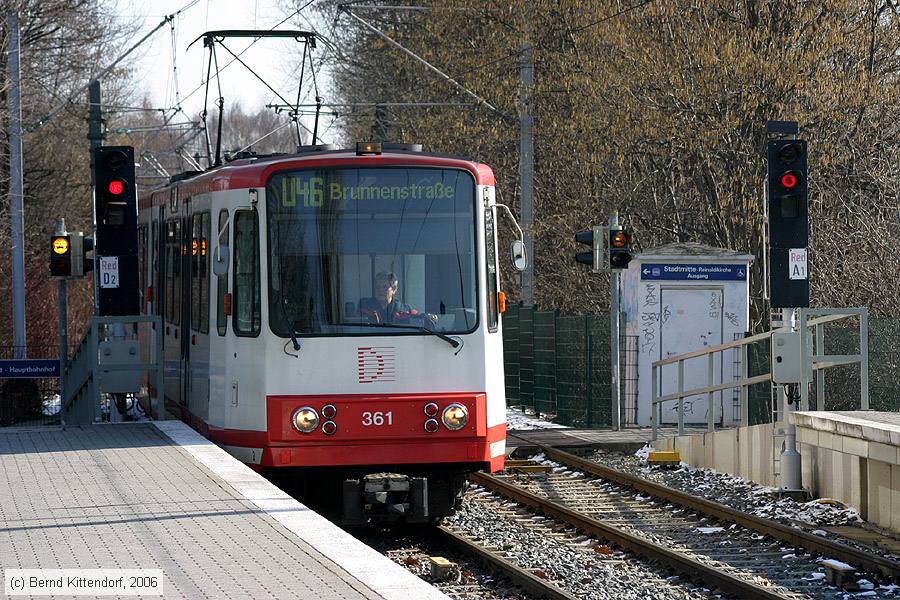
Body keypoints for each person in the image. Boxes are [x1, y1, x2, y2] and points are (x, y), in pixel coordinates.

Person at [359, 271, 435, 325]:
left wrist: (429, 317)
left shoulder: (405, 309)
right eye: (378, 287)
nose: (380, 290)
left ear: (394, 290)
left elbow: (419, 318)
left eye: (384, 287)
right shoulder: (364, 307)